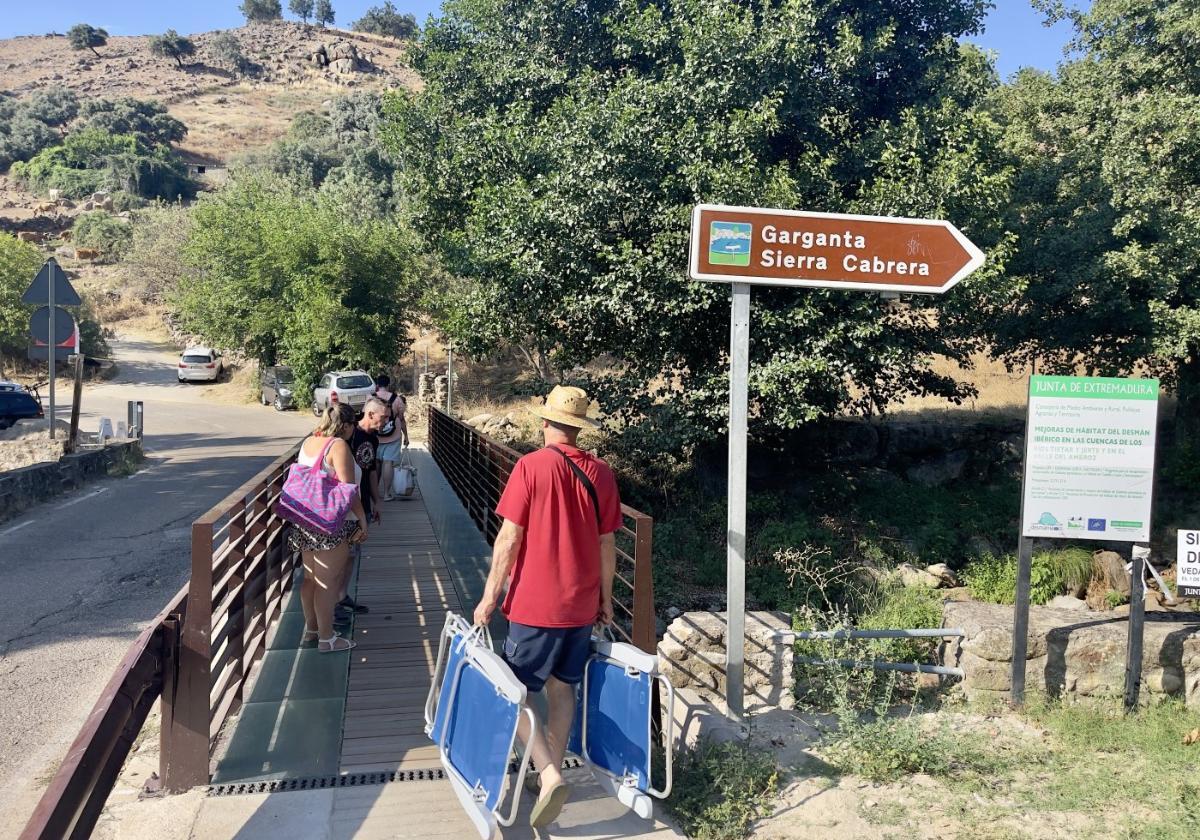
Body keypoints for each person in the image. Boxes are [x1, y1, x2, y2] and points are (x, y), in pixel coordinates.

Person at [472, 385, 622, 829]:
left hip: (535, 607)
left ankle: (550, 771)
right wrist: (605, 598)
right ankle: (546, 772)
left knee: (513, 691)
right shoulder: (602, 474)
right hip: (580, 605)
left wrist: (489, 597)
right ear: (578, 428)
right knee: (562, 689)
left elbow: (509, 538)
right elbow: (606, 542)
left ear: (544, 423)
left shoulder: (530, 467)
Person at [290, 403, 368, 653]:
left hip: (306, 521)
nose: (354, 429)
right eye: (352, 425)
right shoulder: (339, 446)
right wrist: (362, 519)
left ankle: (311, 631)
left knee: (311, 580)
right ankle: (327, 638)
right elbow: (349, 490)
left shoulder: (309, 442)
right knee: (328, 583)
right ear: (344, 425)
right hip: (332, 524)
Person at [337, 397, 389, 622]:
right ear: (370, 415)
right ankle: (334, 604)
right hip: (347, 507)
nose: (386, 421)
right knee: (341, 555)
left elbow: (371, 470)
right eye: (383, 417)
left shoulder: (373, 439)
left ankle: (342, 595)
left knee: (352, 555)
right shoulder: (349, 435)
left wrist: (377, 501)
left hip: (364, 503)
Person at [373, 374, 410, 501]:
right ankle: (387, 494)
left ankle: (375, 492)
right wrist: (406, 436)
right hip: (393, 435)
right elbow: (401, 418)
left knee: (377, 463)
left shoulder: (371, 398)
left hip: (376, 436)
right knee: (388, 463)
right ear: (388, 385)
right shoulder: (396, 399)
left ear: (377, 385)